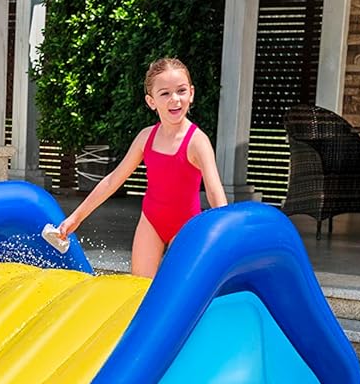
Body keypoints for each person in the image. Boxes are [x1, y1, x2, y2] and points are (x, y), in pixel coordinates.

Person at [54, 56, 229, 278]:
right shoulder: (146, 137)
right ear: (151, 101)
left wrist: (226, 230)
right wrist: (76, 217)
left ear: (191, 94)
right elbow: (113, 180)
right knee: (139, 285)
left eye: (181, 91)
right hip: (151, 222)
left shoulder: (197, 142)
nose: (175, 99)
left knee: (174, 288)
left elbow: (214, 190)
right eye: (165, 93)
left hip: (185, 225)